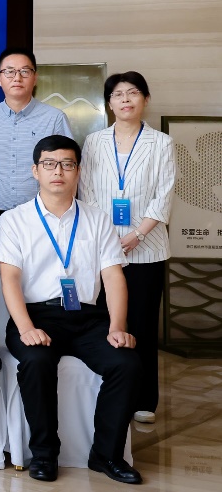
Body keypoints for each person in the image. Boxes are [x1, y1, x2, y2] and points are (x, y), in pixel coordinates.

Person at [0, 134, 141, 485]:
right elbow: (10, 279)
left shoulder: (97, 219)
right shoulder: (14, 220)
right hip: (36, 315)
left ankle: (106, 455)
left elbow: (114, 277)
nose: (58, 171)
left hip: (88, 318)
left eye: (67, 164)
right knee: (36, 361)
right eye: (49, 164)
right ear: (35, 171)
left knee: (126, 362)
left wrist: (117, 326)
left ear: (78, 170)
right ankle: (44, 454)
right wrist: (26, 328)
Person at [78, 71, 175, 424]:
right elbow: (86, 192)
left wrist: (137, 234)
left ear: (145, 99)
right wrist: (106, 237)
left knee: (142, 325)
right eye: (118, 95)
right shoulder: (93, 142)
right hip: (104, 250)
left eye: (133, 93)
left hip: (147, 248)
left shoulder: (161, 143)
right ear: (109, 103)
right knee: (105, 322)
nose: (125, 100)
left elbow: (164, 196)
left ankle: (144, 399)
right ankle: (110, 391)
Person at [0, 48, 72, 219]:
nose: (17, 78)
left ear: (35, 77)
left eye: (25, 71)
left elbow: (68, 167)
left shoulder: (55, 118)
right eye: (9, 72)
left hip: (42, 213)